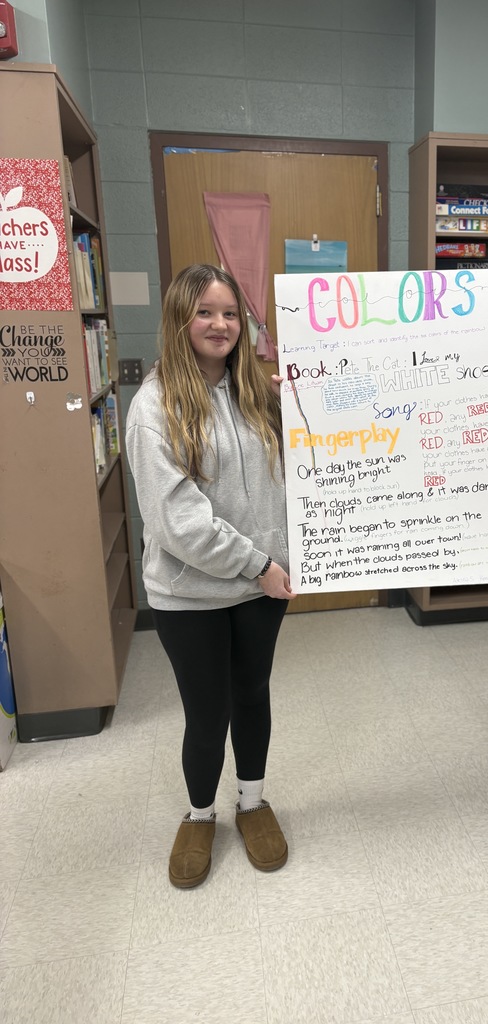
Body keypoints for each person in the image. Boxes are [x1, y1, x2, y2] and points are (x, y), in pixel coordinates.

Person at [126, 263, 296, 889]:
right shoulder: (154, 405)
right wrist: (259, 564)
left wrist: (302, 401)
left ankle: (251, 802)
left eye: (231, 313)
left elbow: (302, 468)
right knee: (208, 712)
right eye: (205, 312)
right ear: (179, 319)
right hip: (191, 594)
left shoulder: (256, 391)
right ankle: (200, 815)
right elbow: (178, 523)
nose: (220, 325)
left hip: (261, 587)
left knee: (252, 694)